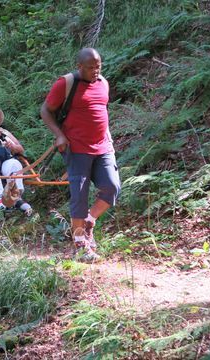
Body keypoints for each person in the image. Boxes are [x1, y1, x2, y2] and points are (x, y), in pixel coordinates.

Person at [40, 48, 121, 262]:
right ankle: (79, 244)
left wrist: (108, 137)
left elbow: (100, 112)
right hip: (76, 147)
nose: (95, 71)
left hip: (103, 146)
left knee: (112, 186)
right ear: (79, 67)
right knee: (80, 193)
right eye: (90, 67)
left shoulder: (103, 83)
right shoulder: (66, 84)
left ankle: (89, 221)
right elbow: (45, 110)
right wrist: (59, 135)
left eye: (98, 66)